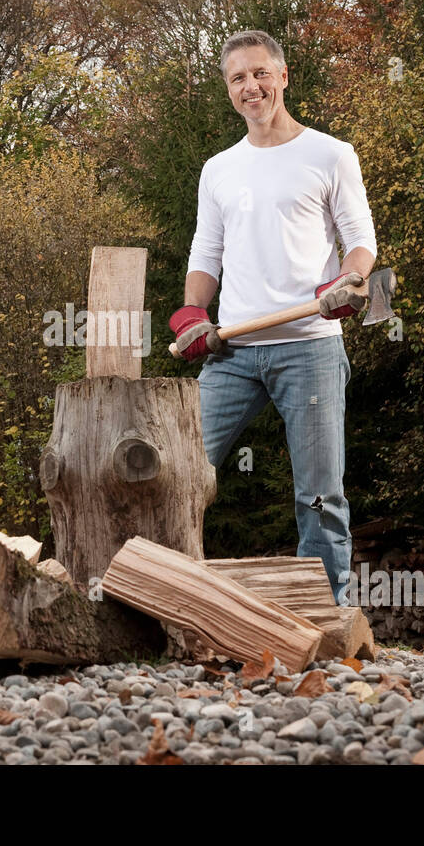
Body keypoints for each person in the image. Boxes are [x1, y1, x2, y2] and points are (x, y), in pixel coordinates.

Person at [170, 29, 377, 606]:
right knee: (179, 472)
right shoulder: (219, 169)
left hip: (309, 346)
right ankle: (161, 596)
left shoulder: (330, 154)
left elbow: (360, 240)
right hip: (232, 353)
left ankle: (326, 615)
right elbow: (205, 255)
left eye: (260, 73)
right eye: (238, 78)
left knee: (319, 494)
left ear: (283, 76)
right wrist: (191, 314)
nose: (251, 86)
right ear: (228, 89)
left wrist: (349, 280)